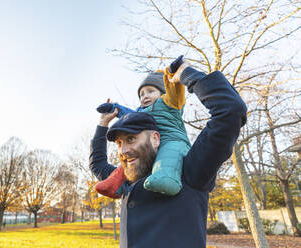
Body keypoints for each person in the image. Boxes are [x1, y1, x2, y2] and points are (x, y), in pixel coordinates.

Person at [89, 56, 247, 248]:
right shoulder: (128, 178)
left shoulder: (190, 170)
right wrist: (103, 124)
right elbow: (97, 165)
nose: (124, 150)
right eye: (119, 142)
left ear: (155, 138)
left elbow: (230, 111)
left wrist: (187, 75)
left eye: (131, 139)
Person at [95, 55, 191, 198]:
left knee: (167, 158)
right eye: (141, 94)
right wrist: (112, 108)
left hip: (171, 141)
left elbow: (175, 89)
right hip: (148, 147)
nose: (144, 96)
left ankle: (166, 179)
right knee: (126, 164)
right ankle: (114, 184)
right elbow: (126, 113)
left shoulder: (170, 103)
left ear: (163, 93)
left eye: (151, 91)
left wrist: (173, 74)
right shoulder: (140, 112)